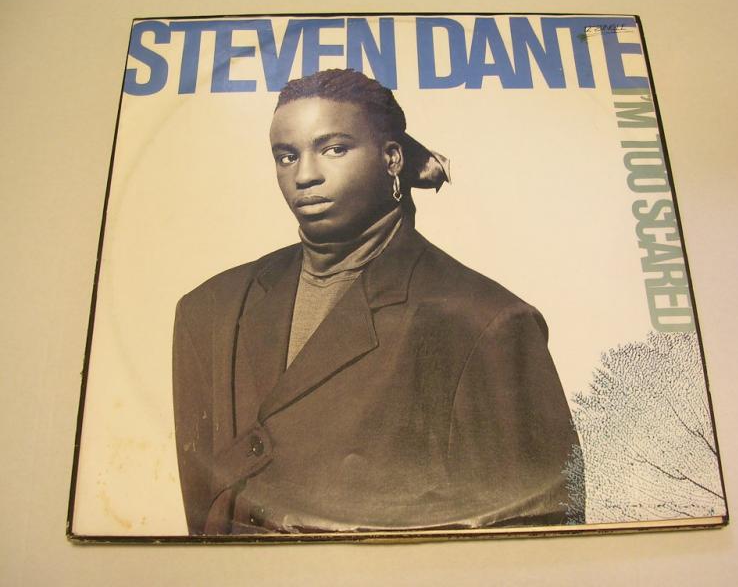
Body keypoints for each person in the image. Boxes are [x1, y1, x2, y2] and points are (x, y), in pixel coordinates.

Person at [172, 69, 584, 535]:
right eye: (287, 156)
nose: (305, 176)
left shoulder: (487, 323)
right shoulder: (211, 311)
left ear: (392, 158)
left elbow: (539, 533)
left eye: (334, 149)